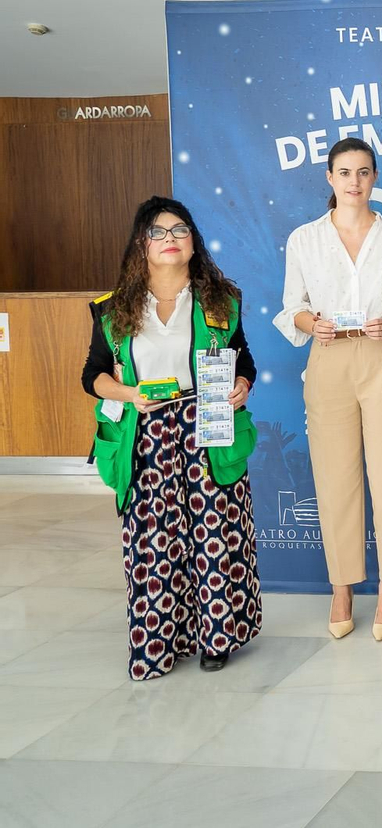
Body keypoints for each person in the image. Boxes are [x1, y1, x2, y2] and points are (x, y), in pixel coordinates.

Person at [81, 196, 262, 678]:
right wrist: (128, 392)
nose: (170, 240)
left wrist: (242, 385)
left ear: (193, 242)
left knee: (214, 535)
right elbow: (92, 376)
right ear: (141, 244)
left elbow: (243, 361)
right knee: (153, 543)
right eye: (158, 232)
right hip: (145, 434)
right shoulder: (112, 309)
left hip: (209, 428)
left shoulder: (222, 300)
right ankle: (157, 643)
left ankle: (216, 637)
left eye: (179, 231)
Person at [275, 137, 382, 641]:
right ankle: (342, 585)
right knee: (335, 478)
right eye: (344, 172)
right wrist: (312, 323)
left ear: (375, 178)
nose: (354, 181)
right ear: (330, 179)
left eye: (363, 172)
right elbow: (292, 305)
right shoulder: (304, 239)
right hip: (329, 358)